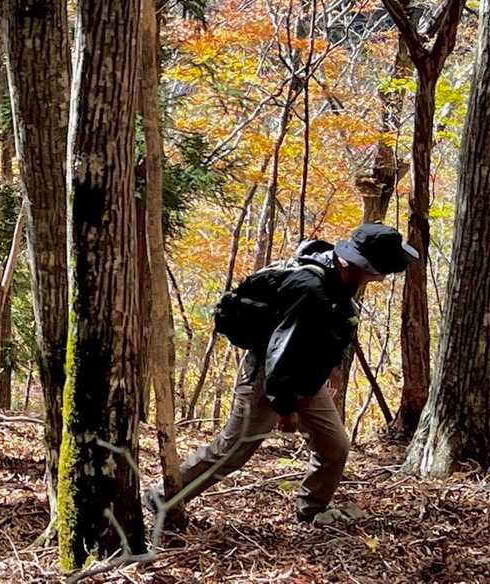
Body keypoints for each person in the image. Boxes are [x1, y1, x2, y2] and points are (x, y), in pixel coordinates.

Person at [149, 222, 419, 524]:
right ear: (355, 263)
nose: (381, 276)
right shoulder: (311, 290)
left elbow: (323, 340)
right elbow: (282, 353)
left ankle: (312, 510)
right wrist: (286, 408)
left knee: (334, 447)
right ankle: (163, 496)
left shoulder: (341, 280)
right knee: (232, 450)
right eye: (377, 269)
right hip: (269, 379)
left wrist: (324, 379)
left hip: (305, 379)